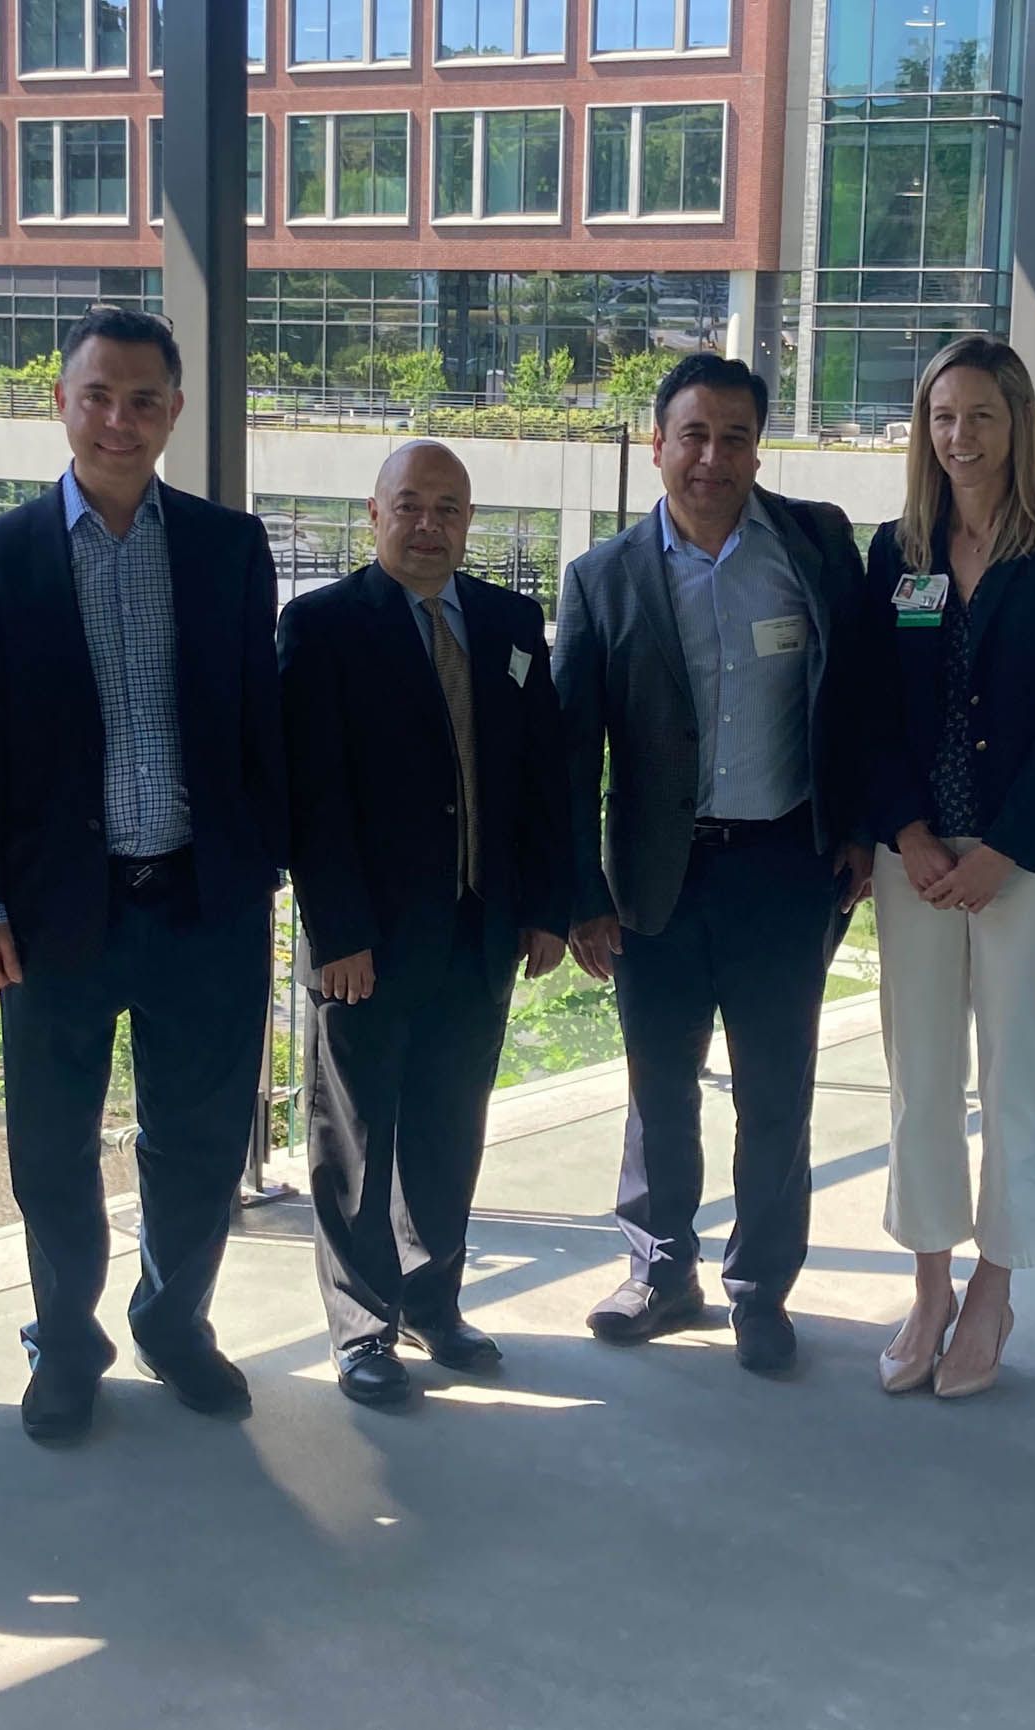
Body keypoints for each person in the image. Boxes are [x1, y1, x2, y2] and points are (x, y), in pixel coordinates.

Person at [0, 307, 287, 1441]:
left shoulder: (229, 548)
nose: (119, 418)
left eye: (144, 399)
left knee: (196, 1137)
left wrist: (261, 870)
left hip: (205, 901)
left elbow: (260, 728)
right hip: (55, 913)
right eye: (98, 395)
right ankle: (65, 1340)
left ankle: (173, 1320)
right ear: (62, 402)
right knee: (53, 1145)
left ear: (175, 414)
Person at [553, 353, 874, 1376]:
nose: (712, 457)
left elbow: (861, 695)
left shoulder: (817, 544)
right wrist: (578, 897)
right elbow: (569, 752)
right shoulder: (603, 578)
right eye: (693, 435)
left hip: (785, 863)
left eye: (734, 437)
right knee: (660, 1086)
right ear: (658, 443)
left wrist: (859, 828)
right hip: (655, 877)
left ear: (757, 447)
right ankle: (660, 1269)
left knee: (777, 1086)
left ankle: (759, 1287)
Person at [278, 442, 569, 1408]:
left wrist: (542, 909)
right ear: (374, 515)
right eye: (410, 505)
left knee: (451, 1127)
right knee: (356, 1139)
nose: (430, 525)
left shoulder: (508, 622)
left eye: (449, 509)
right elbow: (310, 795)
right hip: (371, 937)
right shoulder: (321, 628)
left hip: (481, 927)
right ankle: (363, 1326)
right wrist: (339, 933)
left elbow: (542, 778)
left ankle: (432, 1301)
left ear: (469, 521)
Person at [863, 336, 1035, 1399]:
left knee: (1014, 1074)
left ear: (1020, 425)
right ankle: (929, 1282)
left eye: (981, 416)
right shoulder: (898, 550)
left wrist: (1006, 846)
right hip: (915, 859)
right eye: (942, 416)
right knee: (920, 1077)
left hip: (1026, 856)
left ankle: (996, 1284)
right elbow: (868, 709)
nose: (959, 436)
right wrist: (911, 833)